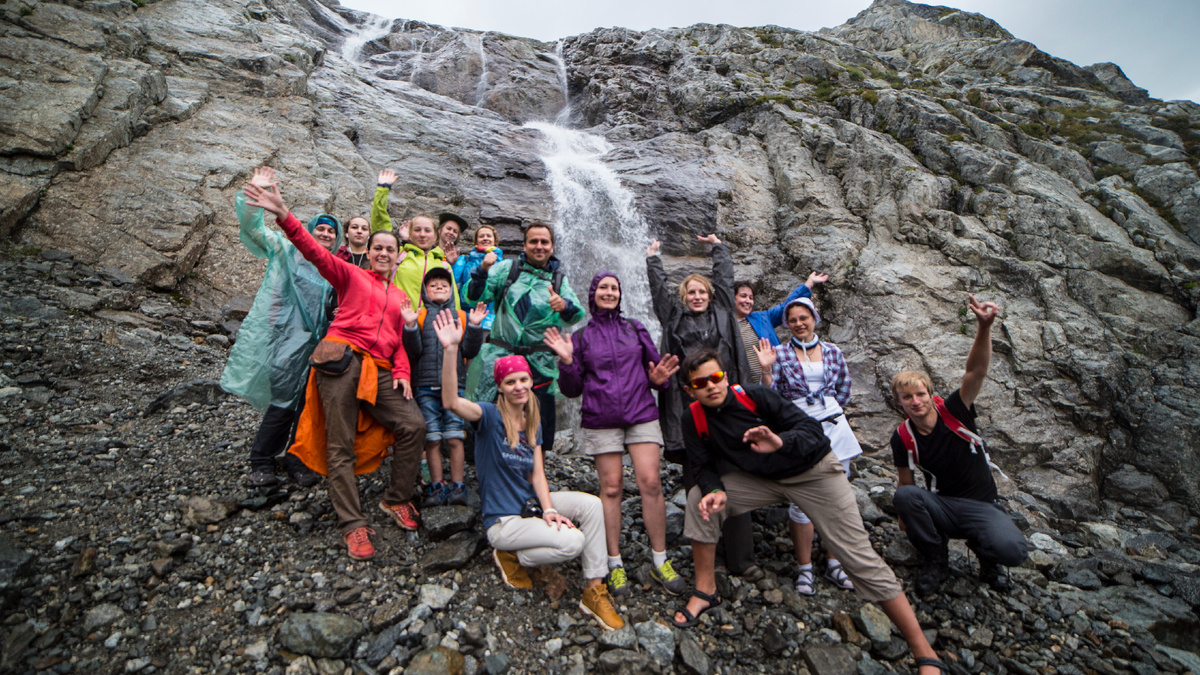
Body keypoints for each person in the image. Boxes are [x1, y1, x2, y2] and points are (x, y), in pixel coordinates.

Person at [672, 348, 948, 675]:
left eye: (715, 377)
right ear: (690, 390)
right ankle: (706, 590)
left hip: (814, 472)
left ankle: (924, 651)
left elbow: (811, 431)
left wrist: (779, 441)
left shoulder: (756, 396)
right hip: (763, 480)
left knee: (857, 556)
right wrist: (715, 490)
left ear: (726, 376)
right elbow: (702, 464)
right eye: (700, 383)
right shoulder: (693, 417)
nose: (710, 386)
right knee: (697, 500)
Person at [243, 169, 428, 561]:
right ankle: (352, 523)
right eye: (376, 247)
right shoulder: (350, 275)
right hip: (341, 361)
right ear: (369, 251)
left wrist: (403, 373)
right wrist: (283, 213)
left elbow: (398, 345)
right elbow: (313, 251)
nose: (381, 253)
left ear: (398, 255)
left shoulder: (400, 297)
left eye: (389, 249)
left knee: (414, 425)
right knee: (339, 443)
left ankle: (395, 499)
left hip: (378, 370)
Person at [434, 313, 625, 631]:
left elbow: (538, 474)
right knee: (573, 542)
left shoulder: (532, 421)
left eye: (523, 379)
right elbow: (451, 401)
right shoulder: (489, 416)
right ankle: (512, 556)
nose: (519, 385)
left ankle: (593, 590)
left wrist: (549, 509)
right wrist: (452, 349)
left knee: (591, 505)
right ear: (501, 387)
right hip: (504, 521)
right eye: (510, 381)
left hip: (531, 507)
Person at [544, 271, 685, 597]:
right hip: (601, 419)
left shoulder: (635, 328)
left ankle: (660, 559)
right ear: (593, 294)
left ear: (620, 294)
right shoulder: (580, 338)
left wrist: (660, 379)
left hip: (641, 414)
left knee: (651, 482)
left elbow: (654, 372)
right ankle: (614, 561)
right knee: (611, 488)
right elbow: (572, 388)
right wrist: (566, 362)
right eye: (603, 288)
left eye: (614, 288)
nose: (609, 292)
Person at [890, 295, 1028, 595]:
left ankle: (988, 557)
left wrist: (984, 326)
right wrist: (906, 519)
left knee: (1013, 551)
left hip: (981, 504)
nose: (916, 402)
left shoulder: (955, 411)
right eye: (907, 398)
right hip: (945, 506)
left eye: (920, 395)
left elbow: (975, 371)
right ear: (899, 403)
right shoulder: (902, 436)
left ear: (930, 394)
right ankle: (935, 559)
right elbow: (905, 482)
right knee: (907, 497)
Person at [646, 234, 758, 580]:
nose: (696, 296)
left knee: (735, 479)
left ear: (711, 296)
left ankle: (742, 558)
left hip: (726, 406)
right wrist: (653, 259)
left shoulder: (724, 313)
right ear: (684, 297)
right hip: (689, 410)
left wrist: (719, 247)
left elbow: (725, 279)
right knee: (697, 482)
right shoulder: (673, 318)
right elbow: (659, 293)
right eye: (690, 292)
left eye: (701, 292)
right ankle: (709, 555)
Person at [221, 168, 340, 488]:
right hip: (284, 340)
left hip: (315, 348)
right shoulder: (286, 251)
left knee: (307, 407)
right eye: (321, 228)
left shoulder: (333, 271)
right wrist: (255, 196)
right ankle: (262, 461)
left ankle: (296, 459)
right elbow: (253, 229)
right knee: (283, 403)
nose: (326, 234)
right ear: (310, 231)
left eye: (331, 231)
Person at [757, 297, 862, 595]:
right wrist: (766, 371)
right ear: (787, 324)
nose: (799, 323)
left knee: (837, 499)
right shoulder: (777, 353)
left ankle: (835, 563)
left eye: (804, 317)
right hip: (798, 428)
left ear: (814, 318)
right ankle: (805, 569)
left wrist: (826, 409)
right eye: (793, 320)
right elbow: (770, 397)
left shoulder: (833, 351)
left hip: (834, 427)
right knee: (800, 499)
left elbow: (844, 389)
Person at [465, 222, 583, 453]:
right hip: (501, 358)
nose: (539, 246)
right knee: (493, 418)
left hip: (540, 363)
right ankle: (490, 469)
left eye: (544, 242)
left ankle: (537, 475)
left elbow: (576, 314)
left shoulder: (558, 280)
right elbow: (474, 296)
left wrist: (564, 305)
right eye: (534, 241)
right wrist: (481, 272)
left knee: (540, 425)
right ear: (524, 245)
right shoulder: (507, 270)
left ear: (551, 246)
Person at [401, 267, 486, 507]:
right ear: (425, 291)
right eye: (433, 285)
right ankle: (437, 485)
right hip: (425, 385)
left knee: (455, 436)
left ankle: (458, 485)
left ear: (451, 291)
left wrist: (476, 326)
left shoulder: (460, 315)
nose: (439, 287)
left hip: (455, 386)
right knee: (432, 438)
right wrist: (409, 327)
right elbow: (414, 351)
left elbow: (469, 350)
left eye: (444, 285)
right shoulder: (419, 316)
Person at [371, 168, 460, 311]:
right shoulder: (399, 256)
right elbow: (381, 231)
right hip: (398, 321)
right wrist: (383, 190)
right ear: (410, 234)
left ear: (436, 236)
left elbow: (453, 299)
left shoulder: (443, 264)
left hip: (431, 326)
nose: (422, 234)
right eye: (417, 230)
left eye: (427, 230)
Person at [733, 273, 826, 386]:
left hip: (774, 385)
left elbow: (787, 306)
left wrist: (809, 283)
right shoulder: (722, 325)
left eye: (751, 298)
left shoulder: (762, 318)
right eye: (743, 296)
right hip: (741, 388)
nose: (748, 301)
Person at [452, 224, 503, 330]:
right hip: (466, 317)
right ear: (476, 241)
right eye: (481, 236)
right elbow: (452, 280)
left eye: (488, 236)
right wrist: (452, 263)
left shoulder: (503, 264)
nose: (485, 238)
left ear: (495, 240)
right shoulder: (465, 260)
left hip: (492, 320)